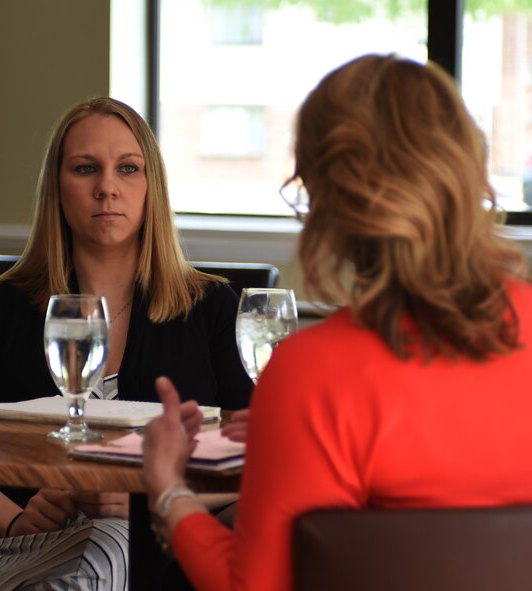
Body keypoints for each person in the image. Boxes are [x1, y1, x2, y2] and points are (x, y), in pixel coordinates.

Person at [141, 53, 532, 591]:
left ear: (325, 198)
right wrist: (290, 438)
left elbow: (251, 588)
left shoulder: (311, 375)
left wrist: (168, 491)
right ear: (470, 167)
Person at [0, 97, 252, 590]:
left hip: (156, 545)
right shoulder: (0, 310)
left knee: (116, 538)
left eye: (128, 168)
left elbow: (256, 464)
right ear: (58, 188)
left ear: (152, 188)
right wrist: (15, 517)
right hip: (20, 548)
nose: (107, 187)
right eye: (85, 168)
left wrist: (157, 496)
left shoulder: (211, 308)